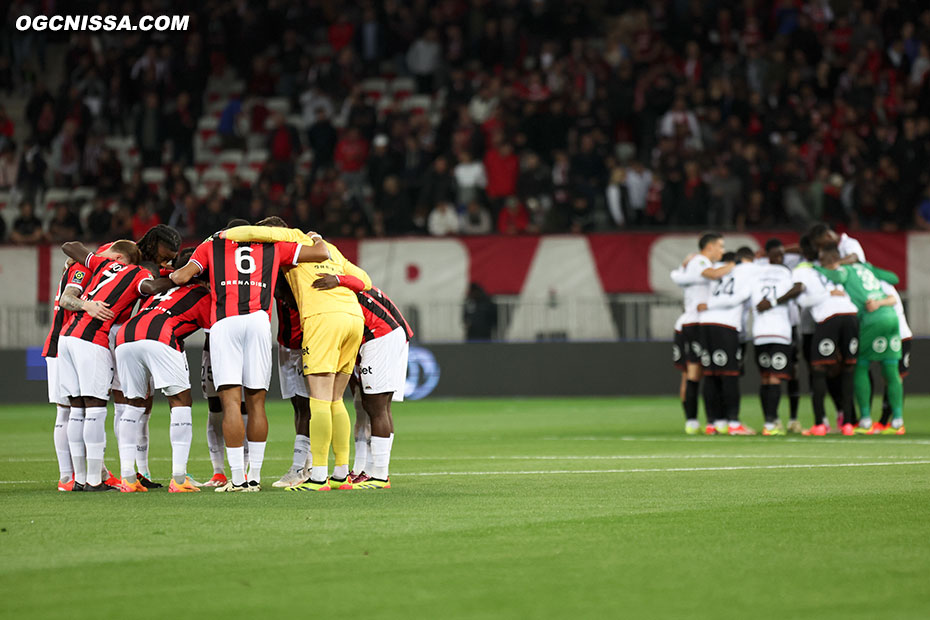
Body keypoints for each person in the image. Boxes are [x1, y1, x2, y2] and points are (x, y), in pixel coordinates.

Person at [170, 220, 330, 492]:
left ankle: (237, 478)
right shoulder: (273, 247)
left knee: (231, 403)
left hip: (225, 322)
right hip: (258, 321)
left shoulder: (211, 244)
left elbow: (180, 277)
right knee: (257, 403)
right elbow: (321, 253)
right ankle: (254, 477)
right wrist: (315, 235)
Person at [221, 221, 370, 492]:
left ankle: (318, 477)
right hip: (353, 319)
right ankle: (340, 475)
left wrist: (220, 235)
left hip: (322, 320)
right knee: (337, 400)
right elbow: (366, 281)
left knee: (320, 401)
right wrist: (338, 279)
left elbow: (251, 233)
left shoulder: (289, 238)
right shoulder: (332, 249)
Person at [57, 240, 171, 491]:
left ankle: (77, 479)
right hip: (91, 339)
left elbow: (70, 246)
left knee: (77, 410)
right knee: (96, 409)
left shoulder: (103, 263)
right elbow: (151, 286)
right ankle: (94, 481)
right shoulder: (137, 273)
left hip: (66, 337)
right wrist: (178, 279)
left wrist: (94, 255)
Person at [114, 248, 212, 492]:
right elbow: (213, 335)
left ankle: (127, 477)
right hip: (159, 335)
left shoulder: (161, 286)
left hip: (126, 336)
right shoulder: (202, 294)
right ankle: (179, 479)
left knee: (133, 404)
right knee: (180, 401)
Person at [315, 277, 413, 489]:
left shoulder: (339, 284)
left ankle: (379, 474)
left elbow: (361, 285)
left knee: (375, 406)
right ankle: (364, 470)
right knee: (366, 406)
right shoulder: (345, 282)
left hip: (379, 337)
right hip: (380, 337)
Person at [767, 238, 857, 435]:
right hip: (851, 316)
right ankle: (849, 424)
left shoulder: (803, 269)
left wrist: (813, 298)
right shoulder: (835, 269)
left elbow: (800, 291)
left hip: (828, 318)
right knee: (848, 368)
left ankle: (820, 424)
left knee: (818, 369)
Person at [815, 247, 905, 434]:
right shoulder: (868, 268)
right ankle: (897, 421)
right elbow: (894, 278)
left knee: (860, 365)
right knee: (890, 369)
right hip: (891, 318)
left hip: (870, 319)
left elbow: (837, 278)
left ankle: (865, 420)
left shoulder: (844, 270)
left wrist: (817, 269)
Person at [669, 233, 734, 434]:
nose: (722, 251)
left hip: (690, 324)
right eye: (720, 247)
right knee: (703, 372)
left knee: (693, 373)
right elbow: (712, 275)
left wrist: (680, 268)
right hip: (696, 324)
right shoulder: (700, 261)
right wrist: (736, 263)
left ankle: (694, 422)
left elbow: (679, 276)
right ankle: (712, 421)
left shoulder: (694, 263)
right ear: (710, 246)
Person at [696, 247, 757, 435]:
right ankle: (733, 423)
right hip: (726, 326)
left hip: (705, 323)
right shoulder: (749, 270)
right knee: (730, 374)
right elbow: (737, 298)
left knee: (711, 374)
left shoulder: (718, 269)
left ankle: (712, 423)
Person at [42, 257, 90, 491]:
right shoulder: (80, 269)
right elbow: (68, 301)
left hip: (69, 345)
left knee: (77, 409)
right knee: (66, 411)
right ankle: (66, 476)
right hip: (62, 345)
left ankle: (90, 471)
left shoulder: (73, 270)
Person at [271, 275, 312, 489]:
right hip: (285, 347)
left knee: (306, 408)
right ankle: (307, 467)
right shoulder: (279, 282)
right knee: (297, 406)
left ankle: (298, 469)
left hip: (303, 347)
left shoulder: (300, 285)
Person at [750, 240, 796, 436]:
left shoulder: (756, 274)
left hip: (759, 332)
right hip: (780, 331)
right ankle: (771, 423)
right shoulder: (786, 274)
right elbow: (795, 297)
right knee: (775, 377)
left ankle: (770, 421)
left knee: (766, 377)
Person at [875, 282, 911, 433]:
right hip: (889, 337)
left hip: (901, 337)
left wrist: (877, 303)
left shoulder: (882, 284)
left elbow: (893, 299)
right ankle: (886, 421)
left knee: (896, 378)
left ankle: (895, 421)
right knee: (888, 378)